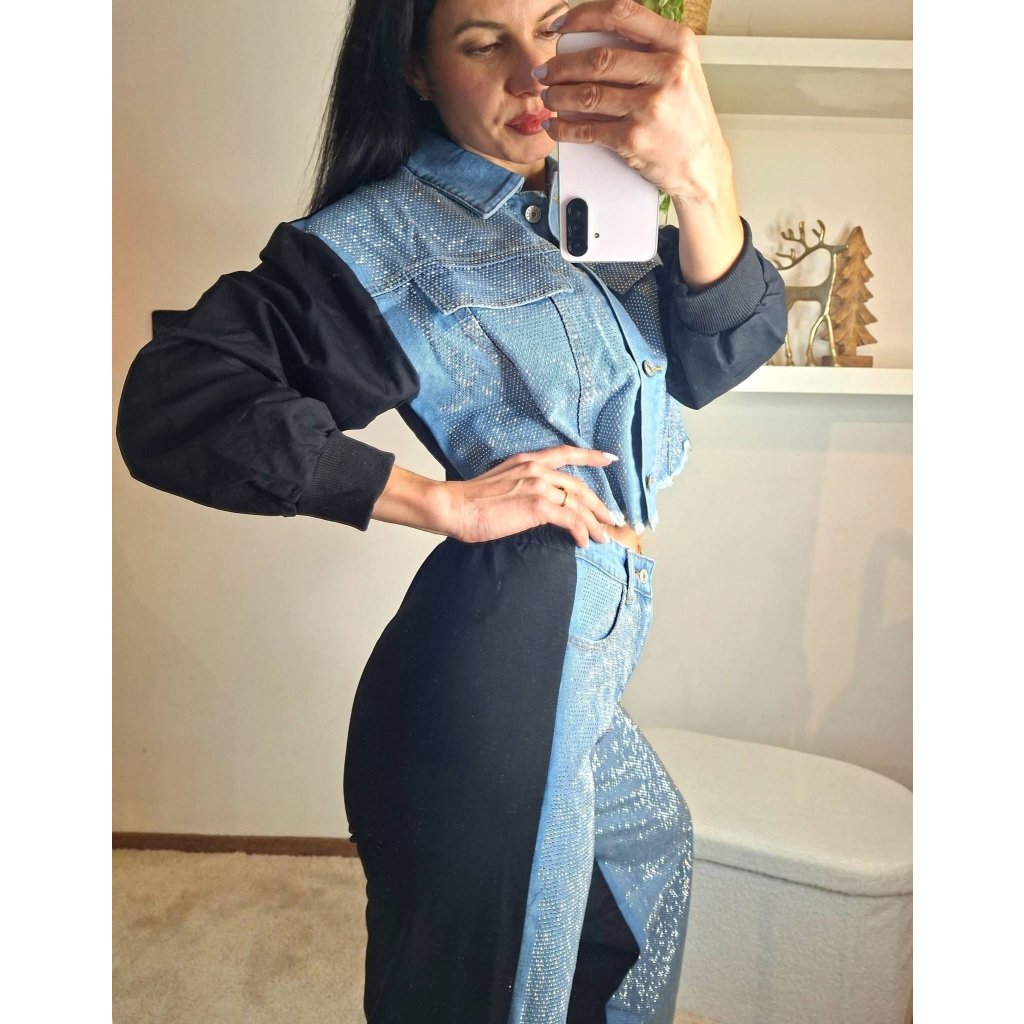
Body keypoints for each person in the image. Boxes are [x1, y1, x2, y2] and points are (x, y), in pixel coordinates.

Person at [116, 0, 787, 1021]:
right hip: (501, 659)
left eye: (549, 33)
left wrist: (703, 178)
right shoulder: (386, 238)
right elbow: (174, 400)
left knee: (650, 856)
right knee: (502, 993)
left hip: (572, 664)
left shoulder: (591, 205)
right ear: (418, 71)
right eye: (482, 43)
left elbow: (715, 354)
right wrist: (435, 500)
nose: (531, 73)